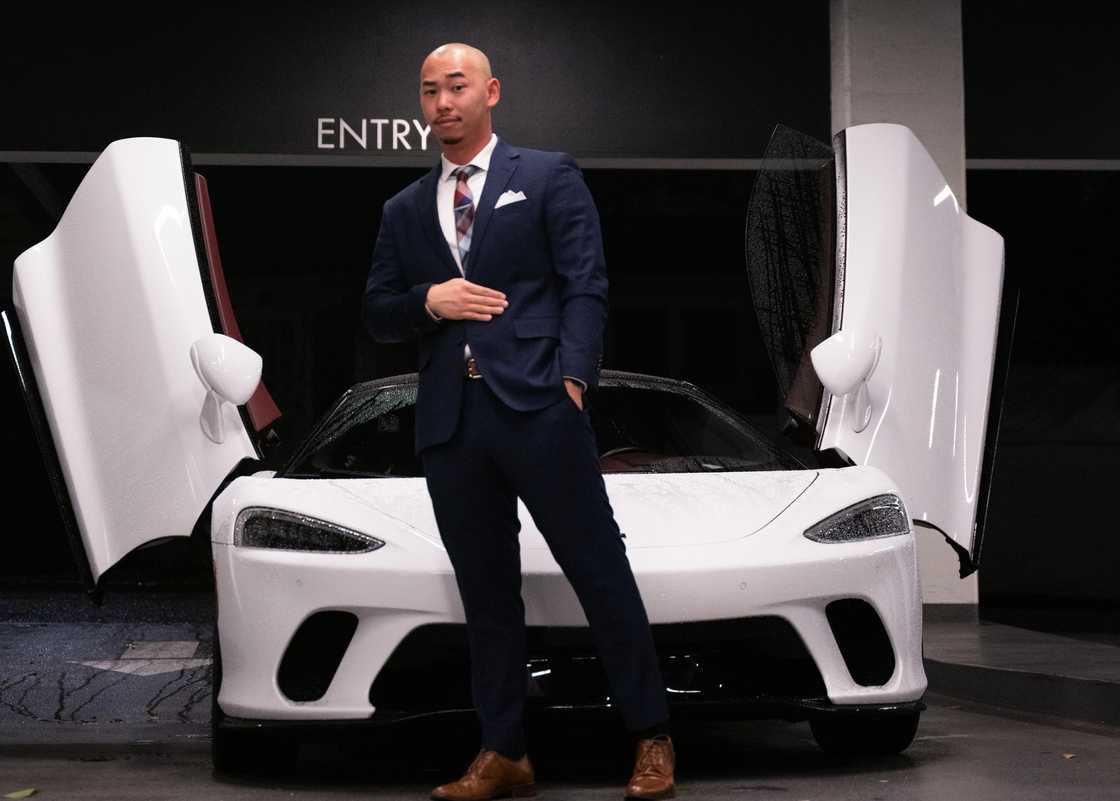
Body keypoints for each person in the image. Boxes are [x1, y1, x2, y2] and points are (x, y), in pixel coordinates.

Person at [362, 43, 675, 801]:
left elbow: (585, 281)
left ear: (491, 91)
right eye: (430, 90)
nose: (443, 102)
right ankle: (504, 751)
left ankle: (652, 737)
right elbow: (377, 311)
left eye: (457, 86)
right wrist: (428, 301)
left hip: (539, 406)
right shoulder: (403, 210)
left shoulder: (545, 174)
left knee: (600, 572)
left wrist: (572, 380)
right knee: (487, 592)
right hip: (451, 422)